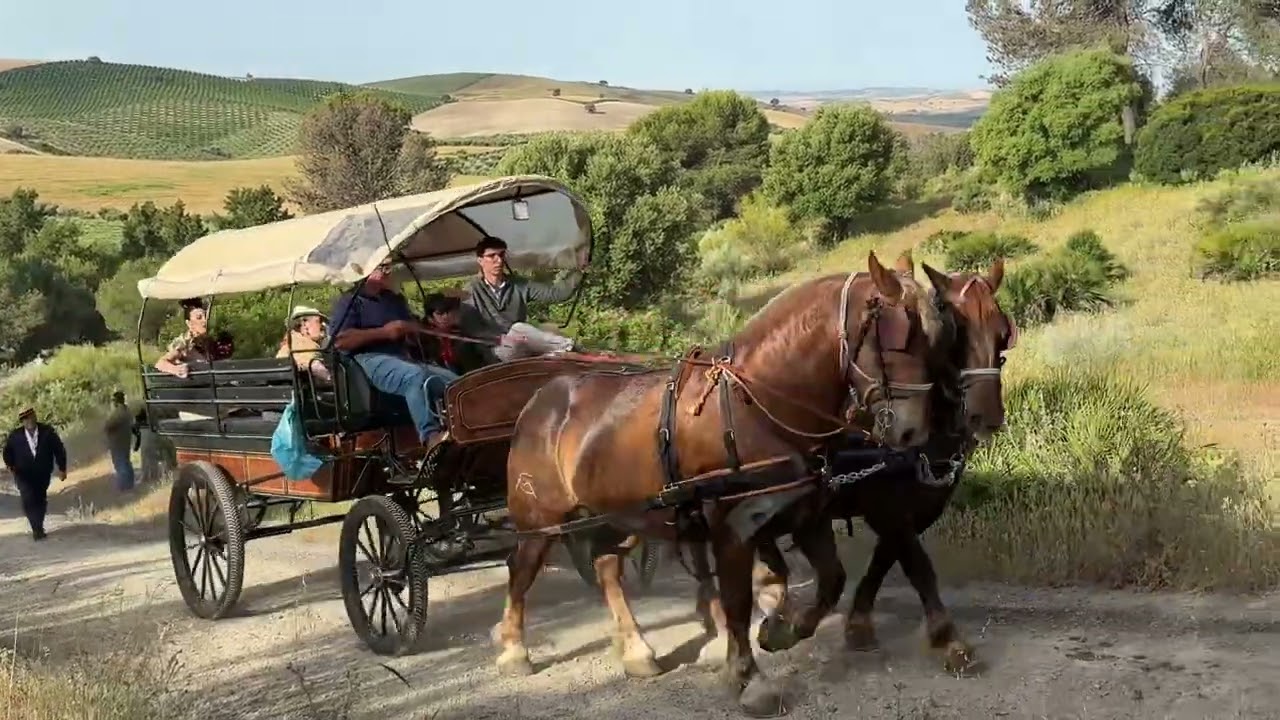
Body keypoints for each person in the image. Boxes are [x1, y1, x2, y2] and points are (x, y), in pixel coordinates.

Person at [328, 262, 459, 456]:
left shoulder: (394, 300)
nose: (387, 272)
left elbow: (410, 331)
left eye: (389, 267)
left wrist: (418, 331)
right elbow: (340, 341)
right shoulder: (350, 301)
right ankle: (431, 437)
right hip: (368, 359)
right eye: (382, 266)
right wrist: (385, 332)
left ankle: (461, 429)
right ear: (365, 269)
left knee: (455, 381)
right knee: (414, 376)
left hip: (400, 356)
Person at [462, 236, 581, 361]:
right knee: (519, 328)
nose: (498, 260)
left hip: (522, 344)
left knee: (542, 331)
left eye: (501, 255)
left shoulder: (519, 284)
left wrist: (578, 271)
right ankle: (570, 347)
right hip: (495, 351)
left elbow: (557, 294)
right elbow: (473, 330)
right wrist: (503, 337)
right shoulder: (471, 290)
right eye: (492, 256)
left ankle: (563, 351)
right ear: (480, 260)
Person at [2, 407, 67, 541]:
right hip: (23, 474)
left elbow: (59, 449)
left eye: (30, 417)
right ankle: (36, 528)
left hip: (42, 473)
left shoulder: (47, 432)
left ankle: (39, 524)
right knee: (28, 499)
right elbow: (7, 451)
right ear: (22, 421)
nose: (29, 420)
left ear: (35, 416)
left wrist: (62, 468)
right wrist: (10, 465)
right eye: (25, 419)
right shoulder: (15, 436)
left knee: (40, 499)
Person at [420, 293, 489, 375]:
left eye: (448, 311)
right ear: (430, 318)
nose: (446, 316)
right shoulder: (423, 339)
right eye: (440, 313)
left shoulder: (462, 336)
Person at [155, 300, 213, 379]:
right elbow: (160, 363)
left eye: (206, 317)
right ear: (189, 324)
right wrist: (176, 370)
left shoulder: (207, 341)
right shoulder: (184, 343)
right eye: (199, 318)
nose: (204, 321)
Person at [277, 305, 332, 383]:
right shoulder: (302, 344)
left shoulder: (291, 342)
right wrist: (330, 379)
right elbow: (314, 366)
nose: (323, 325)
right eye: (319, 321)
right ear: (305, 326)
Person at [103, 390, 139, 491]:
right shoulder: (127, 410)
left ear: (116, 401)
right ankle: (129, 484)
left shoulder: (118, 412)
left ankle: (125, 486)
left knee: (120, 463)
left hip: (117, 442)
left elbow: (108, 426)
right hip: (125, 440)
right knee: (126, 462)